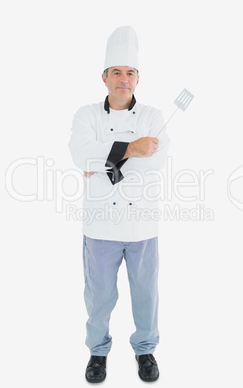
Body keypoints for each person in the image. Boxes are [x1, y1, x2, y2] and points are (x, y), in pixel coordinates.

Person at [68, 26, 170, 383]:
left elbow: (155, 163)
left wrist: (100, 166)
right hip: (99, 227)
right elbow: (79, 153)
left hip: (142, 226)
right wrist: (131, 148)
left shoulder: (154, 117)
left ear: (138, 79)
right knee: (98, 298)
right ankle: (98, 354)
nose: (122, 79)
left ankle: (145, 350)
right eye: (116, 73)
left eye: (129, 73)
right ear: (104, 78)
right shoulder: (86, 115)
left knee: (146, 295)